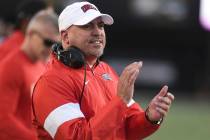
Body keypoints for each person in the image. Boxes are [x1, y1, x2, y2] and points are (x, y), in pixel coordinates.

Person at [32, 1, 175, 140]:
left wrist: (149, 117)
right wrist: (120, 101)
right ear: (65, 37)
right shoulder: (51, 82)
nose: (97, 32)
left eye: (100, 26)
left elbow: (125, 128)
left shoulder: (105, 70)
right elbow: (78, 137)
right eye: (87, 26)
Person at [0, 10, 59, 139]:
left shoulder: (42, 64)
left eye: (55, 45)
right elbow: (3, 120)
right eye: (47, 42)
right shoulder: (12, 67)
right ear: (31, 34)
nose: (51, 49)